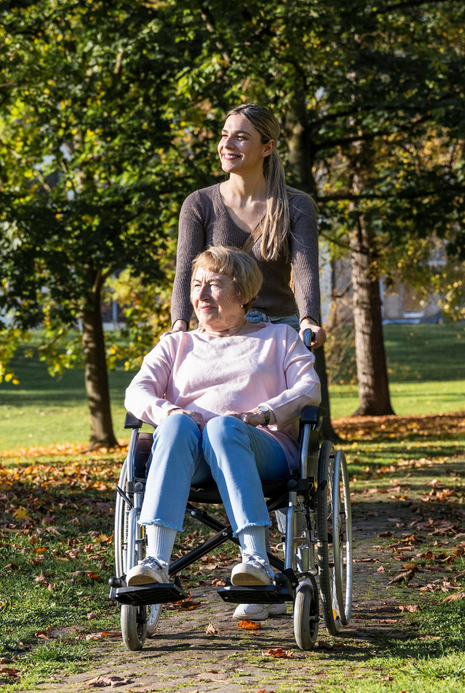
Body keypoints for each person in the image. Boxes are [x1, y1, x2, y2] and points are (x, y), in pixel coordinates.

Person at [124, 246, 322, 621]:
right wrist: (168, 411)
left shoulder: (280, 338)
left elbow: (308, 388)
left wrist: (263, 413)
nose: (200, 295)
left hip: (263, 448)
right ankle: (155, 562)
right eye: (196, 285)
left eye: (213, 285)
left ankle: (256, 562)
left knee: (222, 427)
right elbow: (137, 393)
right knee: (176, 423)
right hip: (191, 456)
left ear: (243, 293)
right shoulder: (175, 344)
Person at [170, 103, 323, 349]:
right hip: (220, 332)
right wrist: (179, 324)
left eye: (240, 137)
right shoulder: (199, 204)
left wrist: (309, 321)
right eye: (224, 135)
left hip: (279, 333)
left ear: (267, 147)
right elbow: (186, 272)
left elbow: (306, 273)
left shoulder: (296, 205)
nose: (227, 144)